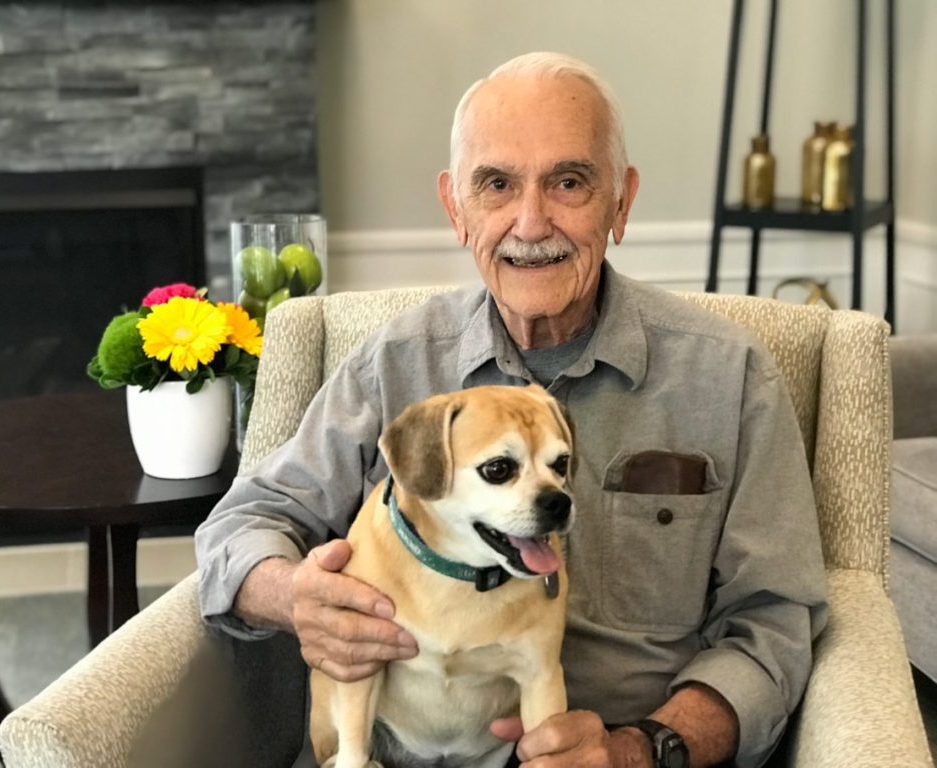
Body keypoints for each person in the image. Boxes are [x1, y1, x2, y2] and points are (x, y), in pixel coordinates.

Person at [195, 52, 828, 768]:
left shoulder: (729, 377)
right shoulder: (391, 364)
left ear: (622, 202)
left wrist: (642, 750)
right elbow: (242, 526)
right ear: (456, 209)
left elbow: (776, 625)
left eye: (568, 182)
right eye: (496, 184)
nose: (531, 222)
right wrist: (292, 596)